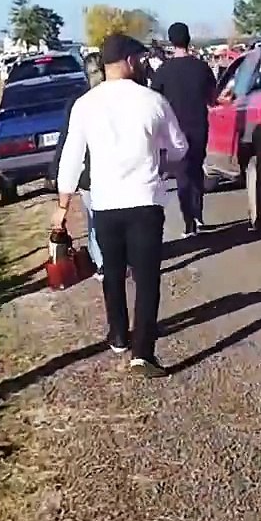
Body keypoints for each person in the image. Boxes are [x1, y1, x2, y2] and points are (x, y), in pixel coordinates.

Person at [53, 34, 188, 378]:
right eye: (140, 59)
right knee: (146, 278)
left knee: (111, 272)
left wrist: (63, 205)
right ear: (129, 61)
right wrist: (163, 158)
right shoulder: (152, 101)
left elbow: (72, 157)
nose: (143, 63)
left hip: (105, 202)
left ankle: (117, 334)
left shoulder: (85, 104)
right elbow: (179, 147)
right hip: (144, 201)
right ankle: (143, 353)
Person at [151, 22, 219, 237]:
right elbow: (212, 98)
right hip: (198, 125)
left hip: (174, 129)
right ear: (188, 39)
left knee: (182, 174)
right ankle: (198, 216)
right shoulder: (201, 67)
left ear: (171, 42)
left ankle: (188, 222)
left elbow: (155, 100)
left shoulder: (163, 71)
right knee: (196, 170)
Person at [50, 79, 103, 281]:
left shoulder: (79, 102)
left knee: (95, 219)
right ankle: (108, 260)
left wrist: (57, 171)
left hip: (89, 173)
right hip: (107, 171)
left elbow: (67, 140)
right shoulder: (119, 98)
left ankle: (102, 263)